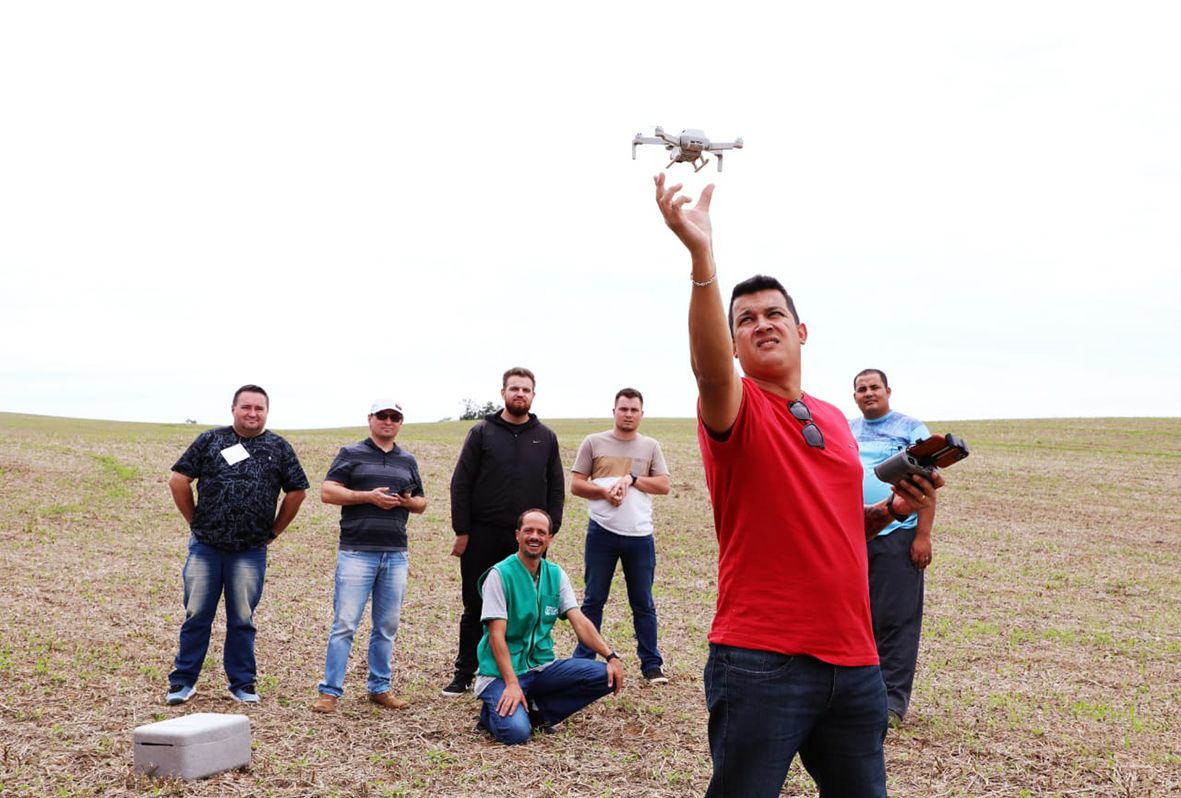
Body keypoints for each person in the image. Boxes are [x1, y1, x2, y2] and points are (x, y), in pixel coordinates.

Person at [652, 174, 943, 797]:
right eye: (746, 319)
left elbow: (840, 520)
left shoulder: (836, 419)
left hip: (855, 658)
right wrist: (702, 261)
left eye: (774, 313)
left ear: (801, 330)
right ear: (733, 342)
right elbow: (705, 366)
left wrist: (892, 508)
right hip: (762, 659)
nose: (762, 324)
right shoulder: (734, 405)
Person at [165, 384, 308, 705]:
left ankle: (242, 684)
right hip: (206, 546)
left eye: (259, 408)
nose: (253, 413)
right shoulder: (211, 440)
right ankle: (182, 681)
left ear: (266, 412)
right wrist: (194, 521)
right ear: (233, 409)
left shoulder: (278, 447)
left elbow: (297, 491)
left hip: (250, 549)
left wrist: (274, 532)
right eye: (246, 407)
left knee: (242, 618)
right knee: (197, 613)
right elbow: (178, 479)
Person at [442, 367, 565, 697]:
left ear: (533, 395)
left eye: (526, 389)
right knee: (476, 604)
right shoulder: (481, 433)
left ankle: (526, 666)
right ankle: (465, 672)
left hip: (528, 539)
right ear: (503, 393)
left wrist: (550, 529)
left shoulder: (545, 437)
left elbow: (556, 488)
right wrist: (462, 530)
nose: (520, 394)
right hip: (483, 534)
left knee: (527, 605)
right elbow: (461, 483)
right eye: (514, 389)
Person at [312, 399, 427, 713]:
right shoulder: (351, 454)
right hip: (356, 552)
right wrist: (368, 497)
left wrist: (405, 502)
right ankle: (330, 692)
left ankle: (380, 687)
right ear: (371, 419)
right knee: (345, 624)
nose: (388, 421)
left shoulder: (407, 460)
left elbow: (421, 503)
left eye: (395, 417)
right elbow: (327, 492)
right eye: (383, 416)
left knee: (386, 626)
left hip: (395, 553)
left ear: (401, 422)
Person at [474, 509, 624, 744]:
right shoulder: (499, 575)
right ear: (517, 535)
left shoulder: (556, 574)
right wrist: (512, 684)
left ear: (550, 538)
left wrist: (611, 656)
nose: (535, 536)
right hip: (501, 673)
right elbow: (496, 636)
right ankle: (489, 714)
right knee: (515, 734)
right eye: (528, 531)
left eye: (541, 532)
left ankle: (537, 710)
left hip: (541, 667)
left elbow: (580, 621)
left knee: (607, 676)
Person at [850, 369, 936, 728]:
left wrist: (922, 536)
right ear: (854, 396)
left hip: (898, 533)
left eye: (874, 387)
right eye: (861, 389)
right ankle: (856, 694)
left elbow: (927, 484)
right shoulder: (847, 429)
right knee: (856, 616)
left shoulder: (910, 428)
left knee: (895, 618)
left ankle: (892, 702)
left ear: (887, 391)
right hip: (852, 532)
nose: (868, 393)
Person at [570, 388, 672, 684]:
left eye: (634, 410)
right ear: (614, 410)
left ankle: (651, 665)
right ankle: (584, 660)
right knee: (593, 600)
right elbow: (576, 485)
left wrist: (633, 479)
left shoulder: (650, 446)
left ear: (642, 413)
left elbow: (664, 485)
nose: (628, 414)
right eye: (623, 408)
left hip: (640, 536)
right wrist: (604, 490)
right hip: (601, 533)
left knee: (643, 602)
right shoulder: (593, 443)